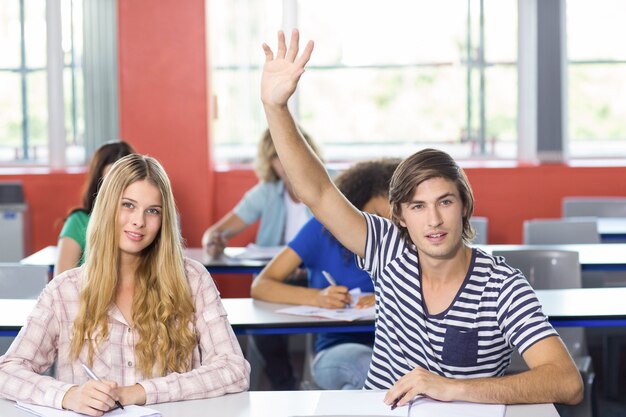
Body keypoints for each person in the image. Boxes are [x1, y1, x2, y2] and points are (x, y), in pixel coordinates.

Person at [258, 29, 583, 407]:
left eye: (444, 202)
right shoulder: (387, 249)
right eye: (417, 206)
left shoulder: (502, 286)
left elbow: (567, 382)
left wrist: (451, 387)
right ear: (400, 217)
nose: (433, 220)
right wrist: (276, 108)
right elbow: (318, 191)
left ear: (465, 206)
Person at [0, 154, 250, 415]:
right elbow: (7, 371)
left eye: (152, 211)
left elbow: (234, 369)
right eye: (128, 205)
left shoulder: (192, 279)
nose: (139, 221)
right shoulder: (65, 291)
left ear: (164, 220)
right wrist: (68, 395)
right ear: (108, 207)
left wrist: (139, 392)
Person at [251, 158, 400, 390]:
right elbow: (261, 285)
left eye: (394, 222)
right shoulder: (320, 230)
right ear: (353, 205)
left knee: (355, 393)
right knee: (370, 372)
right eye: (376, 216)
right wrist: (318, 297)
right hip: (338, 350)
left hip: (398, 350)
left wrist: (386, 297)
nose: (384, 228)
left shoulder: (405, 240)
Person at [202, 127, 323, 390]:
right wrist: (214, 242)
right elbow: (214, 233)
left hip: (319, 280)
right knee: (262, 327)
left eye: (292, 153)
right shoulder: (267, 192)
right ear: (270, 163)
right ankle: (286, 385)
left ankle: (319, 383)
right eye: (278, 157)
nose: (287, 163)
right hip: (275, 281)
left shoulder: (329, 184)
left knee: (326, 326)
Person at [55, 140, 135, 276]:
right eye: (110, 181)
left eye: (124, 182)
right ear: (98, 182)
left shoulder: (138, 222)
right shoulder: (79, 221)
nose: (117, 189)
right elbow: (60, 286)